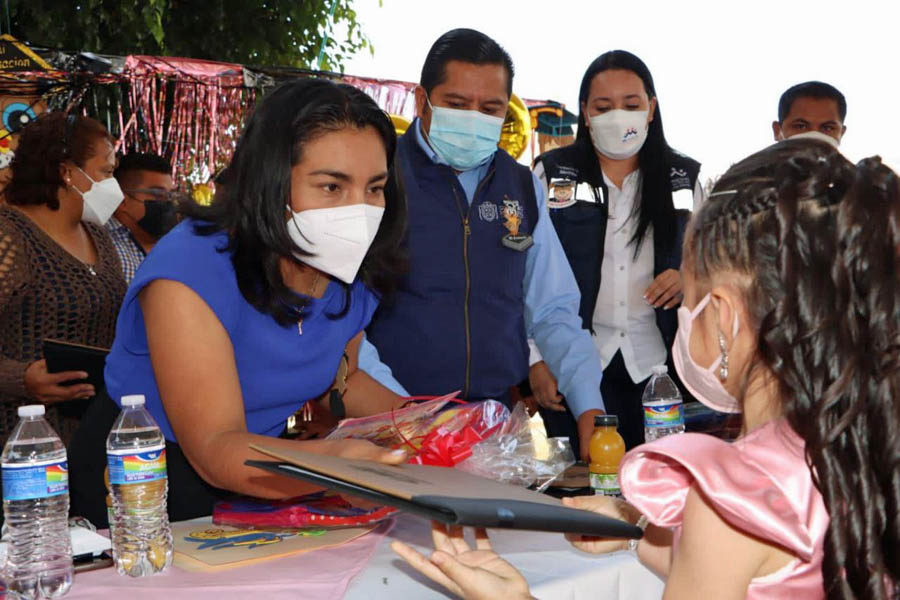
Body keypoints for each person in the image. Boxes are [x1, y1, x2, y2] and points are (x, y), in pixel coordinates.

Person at [392, 139, 900, 599]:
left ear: (722, 315)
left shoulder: (732, 496)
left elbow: (728, 545)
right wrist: (634, 527)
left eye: (689, 299)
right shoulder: (855, 445)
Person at [68, 79, 413, 528]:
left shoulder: (350, 270)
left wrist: (429, 424)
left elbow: (342, 380)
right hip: (141, 483)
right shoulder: (191, 266)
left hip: (268, 478)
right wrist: (337, 463)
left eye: (375, 188)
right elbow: (217, 446)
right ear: (271, 182)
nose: (359, 209)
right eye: (332, 187)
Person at [366, 28, 605, 460]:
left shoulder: (522, 188)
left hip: (494, 430)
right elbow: (343, 318)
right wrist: (402, 417)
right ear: (422, 102)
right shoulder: (380, 177)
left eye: (489, 108)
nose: (473, 118)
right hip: (392, 426)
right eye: (457, 105)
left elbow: (553, 309)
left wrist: (590, 406)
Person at [528, 50, 703, 450]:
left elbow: (712, 267)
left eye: (631, 105)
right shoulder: (552, 174)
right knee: (578, 495)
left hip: (660, 372)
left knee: (656, 493)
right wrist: (535, 360)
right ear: (585, 114)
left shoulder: (684, 177)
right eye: (603, 107)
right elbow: (527, 276)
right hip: (571, 368)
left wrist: (687, 278)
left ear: (651, 109)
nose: (618, 117)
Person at [0, 112, 127, 447]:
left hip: (92, 436)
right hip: (22, 442)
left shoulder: (99, 235)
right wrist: (20, 378)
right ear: (67, 173)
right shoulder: (9, 237)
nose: (113, 185)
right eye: (106, 172)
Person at [106, 152, 178, 283]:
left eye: (170, 195)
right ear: (122, 200)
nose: (168, 202)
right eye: (158, 194)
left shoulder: (176, 245)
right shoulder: (103, 246)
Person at [773, 80, 847, 147]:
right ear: (777, 130)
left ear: (841, 133)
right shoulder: (761, 161)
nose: (814, 136)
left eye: (827, 128)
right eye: (800, 126)